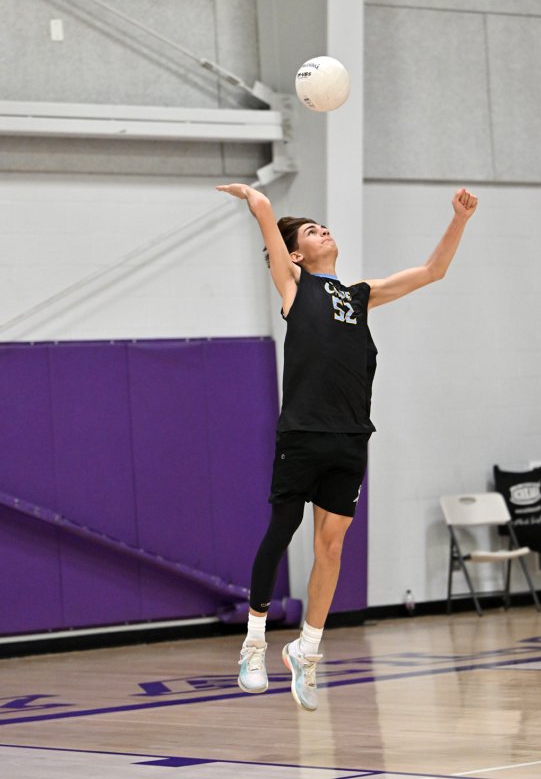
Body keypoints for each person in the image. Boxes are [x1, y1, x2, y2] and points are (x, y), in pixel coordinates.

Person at [216, 182, 478, 711]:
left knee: (331, 548)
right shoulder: (294, 285)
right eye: (312, 232)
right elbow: (265, 215)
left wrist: (459, 219)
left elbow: (433, 271)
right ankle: (254, 644)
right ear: (295, 255)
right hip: (303, 434)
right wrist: (253, 196)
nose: (323, 232)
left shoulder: (360, 295)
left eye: (322, 227)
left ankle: (306, 652)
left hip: (351, 437)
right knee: (282, 530)